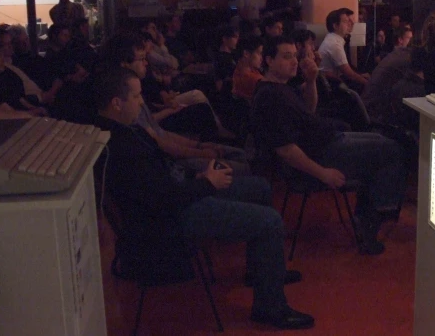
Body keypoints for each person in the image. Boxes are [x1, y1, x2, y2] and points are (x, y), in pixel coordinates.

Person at [92, 68, 314, 330]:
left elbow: (163, 183)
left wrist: (199, 175)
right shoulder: (121, 147)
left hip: (178, 198)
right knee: (270, 221)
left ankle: (263, 272)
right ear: (117, 103)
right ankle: (270, 307)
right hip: (168, 223)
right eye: (137, 97)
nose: (142, 102)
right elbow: (164, 199)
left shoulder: (125, 131)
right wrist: (207, 182)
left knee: (260, 189)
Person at [252, 36, 407, 255]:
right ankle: (372, 220)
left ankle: (368, 215)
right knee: (392, 150)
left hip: (329, 141)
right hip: (321, 156)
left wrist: (312, 80)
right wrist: (323, 174)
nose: (294, 62)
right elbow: (285, 150)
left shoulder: (281, 87)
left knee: (387, 142)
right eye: (287, 57)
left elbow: (309, 110)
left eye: (295, 56)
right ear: (269, 60)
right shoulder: (270, 96)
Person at [102, 34, 250, 174]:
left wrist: (199, 146)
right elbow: (160, 143)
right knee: (243, 167)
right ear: (124, 64)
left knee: (241, 155)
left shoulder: (134, 91)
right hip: (172, 165)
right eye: (141, 59)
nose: (146, 62)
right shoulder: (126, 101)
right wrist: (201, 152)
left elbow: (160, 132)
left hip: (171, 157)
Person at [318, 7, 370, 91]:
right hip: (330, 87)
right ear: (335, 26)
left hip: (333, 81)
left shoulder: (333, 39)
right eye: (346, 21)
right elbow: (349, 73)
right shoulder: (334, 44)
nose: (350, 24)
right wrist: (369, 84)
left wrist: (361, 75)